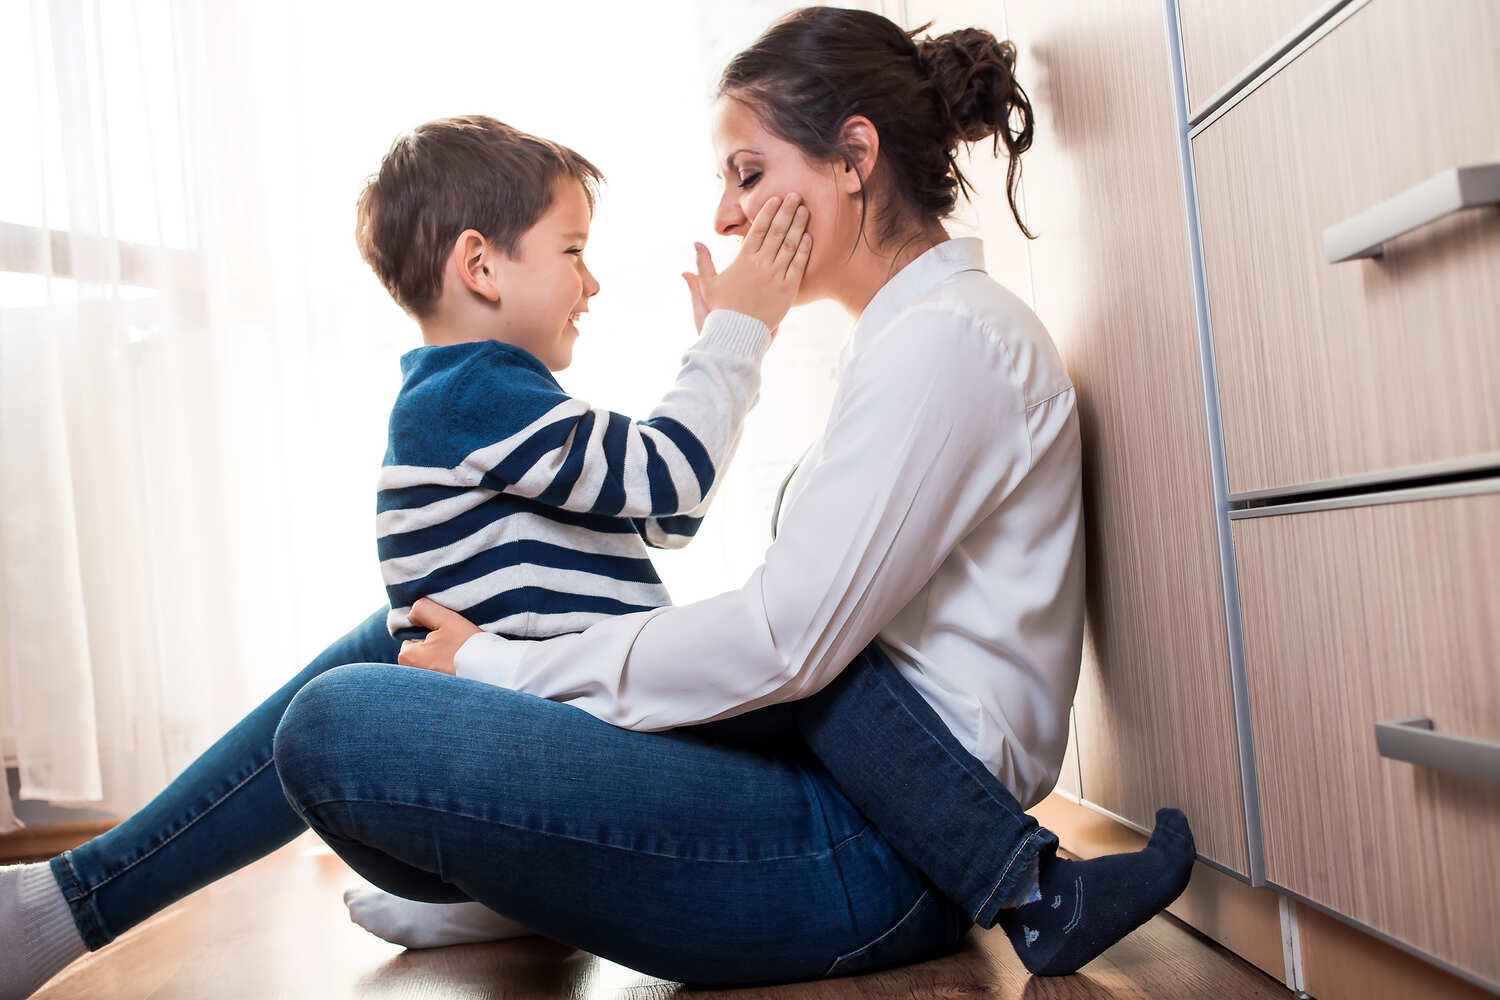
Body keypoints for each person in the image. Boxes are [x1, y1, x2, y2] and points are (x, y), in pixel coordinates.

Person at [0, 9, 1194, 997]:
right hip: (842, 799)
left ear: (852, 158)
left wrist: (502, 672)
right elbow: (780, 627)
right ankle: (68, 903)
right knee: (404, 644)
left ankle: (78, 904)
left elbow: (781, 638)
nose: (728, 215)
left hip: (880, 847)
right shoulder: (912, 344)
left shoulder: (946, 346)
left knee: (340, 722)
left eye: (748, 174)